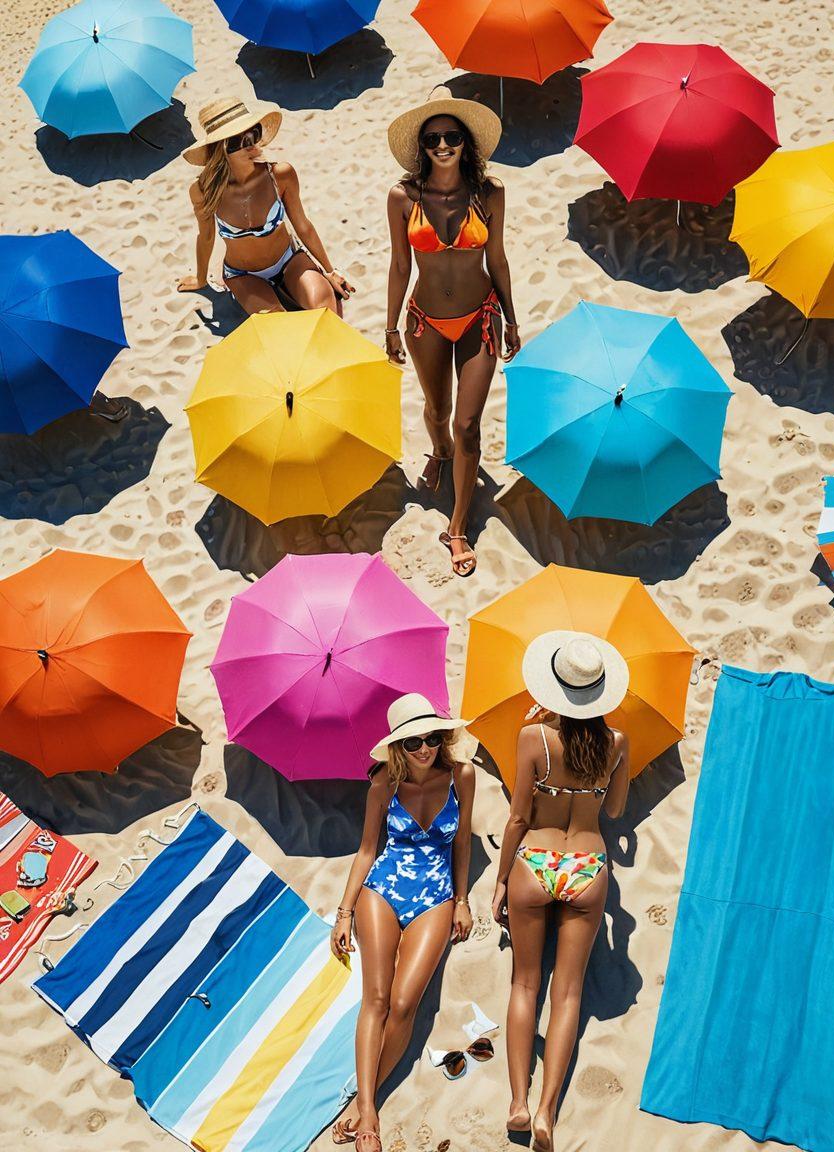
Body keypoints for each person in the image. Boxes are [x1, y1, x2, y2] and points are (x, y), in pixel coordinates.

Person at [492, 631, 631, 1152]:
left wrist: (501, 880)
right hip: (587, 866)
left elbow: (517, 818)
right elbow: (614, 810)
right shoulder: (617, 742)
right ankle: (548, 1112)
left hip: (536, 860)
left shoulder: (534, 738)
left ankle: (518, 1103)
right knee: (568, 992)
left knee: (524, 984)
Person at [330, 693, 475, 1152]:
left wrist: (462, 899)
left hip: (435, 895)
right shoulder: (383, 785)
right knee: (376, 999)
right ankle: (369, 1114)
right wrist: (344, 911)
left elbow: (463, 841)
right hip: (383, 890)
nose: (425, 748)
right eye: (414, 742)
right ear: (398, 746)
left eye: (432, 738)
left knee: (405, 1003)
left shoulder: (461, 776)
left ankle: (362, 1099)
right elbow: (367, 850)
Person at [385, 88, 520, 578]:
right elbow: (400, 266)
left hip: (480, 317)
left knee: (467, 425)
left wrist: (511, 318)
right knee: (438, 411)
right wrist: (390, 325)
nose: (443, 145)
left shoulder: (489, 193)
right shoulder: (404, 197)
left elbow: (497, 258)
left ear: (467, 143)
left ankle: (457, 526)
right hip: (424, 321)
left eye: (452, 137)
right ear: (422, 147)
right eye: (433, 139)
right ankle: (440, 452)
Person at [177, 97, 353, 314]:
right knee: (276, 324)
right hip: (243, 275)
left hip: (289, 260)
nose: (253, 145)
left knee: (326, 312)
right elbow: (206, 237)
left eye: (255, 133)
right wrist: (200, 279)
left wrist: (329, 271)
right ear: (222, 149)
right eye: (242, 141)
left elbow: (303, 225)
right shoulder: (204, 191)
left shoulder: (280, 174)